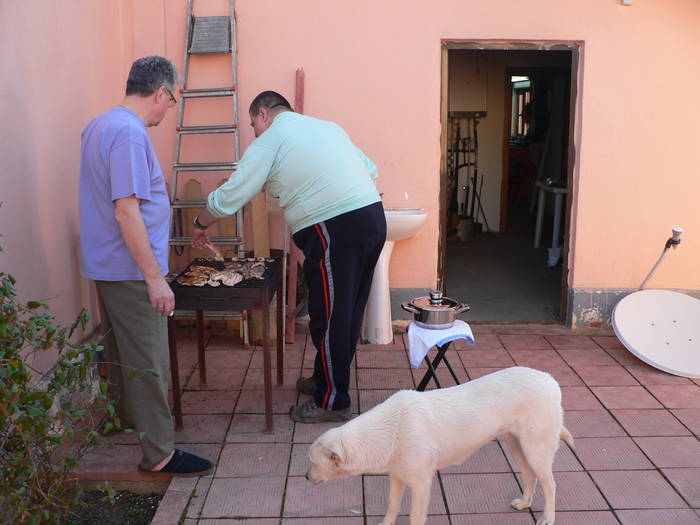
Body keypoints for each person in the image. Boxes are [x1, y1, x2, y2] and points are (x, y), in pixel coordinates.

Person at [192, 91, 386, 423]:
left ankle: (333, 401)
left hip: (334, 228)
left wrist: (200, 223)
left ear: (263, 114)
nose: (255, 132)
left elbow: (230, 196)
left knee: (331, 317)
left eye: (253, 124)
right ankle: (326, 381)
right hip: (371, 216)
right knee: (345, 312)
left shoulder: (272, 137)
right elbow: (371, 169)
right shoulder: (326, 127)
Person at [79, 56, 214, 476]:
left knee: (120, 353)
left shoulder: (99, 124)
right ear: (160, 92)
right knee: (149, 360)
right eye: (172, 100)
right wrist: (156, 280)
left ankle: (123, 419)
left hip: (108, 266)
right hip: (132, 271)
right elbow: (126, 212)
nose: (168, 109)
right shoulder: (129, 134)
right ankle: (158, 452)